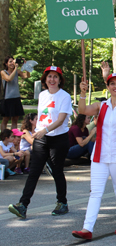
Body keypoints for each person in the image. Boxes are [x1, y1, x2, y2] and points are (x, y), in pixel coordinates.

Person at [72, 73, 116, 240]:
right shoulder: (101, 106)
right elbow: (82, 110)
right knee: (95, 192)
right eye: (112, 83)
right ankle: (87, 228)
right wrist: (82, 93)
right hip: (99, 156)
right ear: (107, 87)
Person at [9, 66, 73, 219]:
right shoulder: (43, 95)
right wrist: (38, 131)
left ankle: (62, 202)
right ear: (45, 79)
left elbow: (61, 119)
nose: (52, 79)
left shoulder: (64, 96)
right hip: (41, 139)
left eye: (55, 77)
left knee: (57, 171)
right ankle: (23, 205)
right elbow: (43, 116)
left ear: (59, 80)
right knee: (34, 172)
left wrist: (46, 130)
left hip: (58, 138)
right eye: (49, 76)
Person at [1, 56, 30, 131]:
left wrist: (26, 66)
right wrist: (16, 68)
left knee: (15, 119)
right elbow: (9, 79)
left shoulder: (17, 72)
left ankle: (14, 137)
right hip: (7, 98)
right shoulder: (3, 72)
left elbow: (27, 76)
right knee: (5, 119)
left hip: (16, 98)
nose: (12, 63)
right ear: (6, 63)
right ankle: (4, 136)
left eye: (13, 61)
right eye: (10, 62)